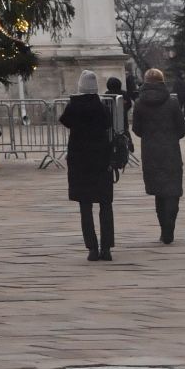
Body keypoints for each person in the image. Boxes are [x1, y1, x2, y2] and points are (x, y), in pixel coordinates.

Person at [60, 71, 115, 261]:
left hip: (80, 159)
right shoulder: (102, 108)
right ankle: (106, 247)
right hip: (101, 158)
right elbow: (109, 124)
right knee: (105, 204)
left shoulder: (73, 107)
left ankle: (92, 247)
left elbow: (65, 121)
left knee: (85, 205)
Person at [132, 66, 185, 244]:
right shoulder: (172, 102)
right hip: (170, 149)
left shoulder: (140, 103)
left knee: (158, 192)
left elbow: (137, 129)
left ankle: (164, 228)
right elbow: (182, 129)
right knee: (173, 190)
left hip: (150, 151)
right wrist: (171, 137)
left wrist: (150, 137)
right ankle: (170, 224)